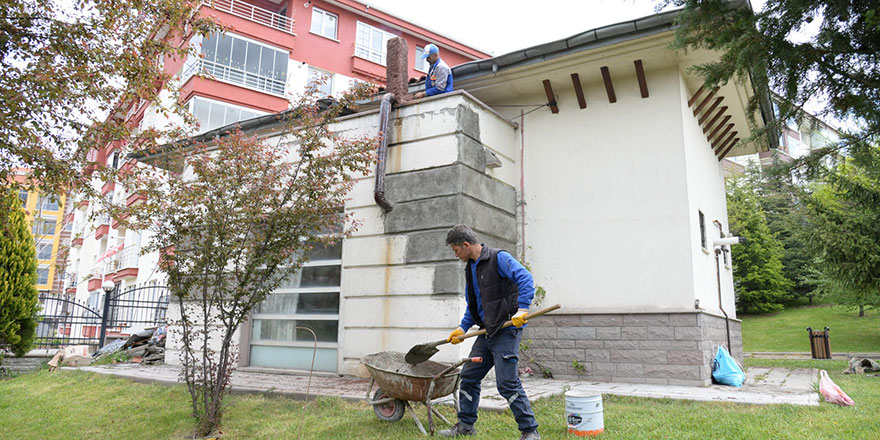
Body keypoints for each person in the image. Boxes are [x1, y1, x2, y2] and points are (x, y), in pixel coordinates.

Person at [439, 225, 540, 440]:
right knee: (468, 377)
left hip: (506, 330)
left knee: (507, 383)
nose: (456, 255)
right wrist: (462, 328)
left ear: (466, 245)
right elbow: (474, 303)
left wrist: (522, 309)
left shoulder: (498, 258)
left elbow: (525, 278)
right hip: (487, 332)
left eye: (456, 250)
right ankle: (466, 426)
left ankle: (530, 431)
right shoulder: (472, 267)